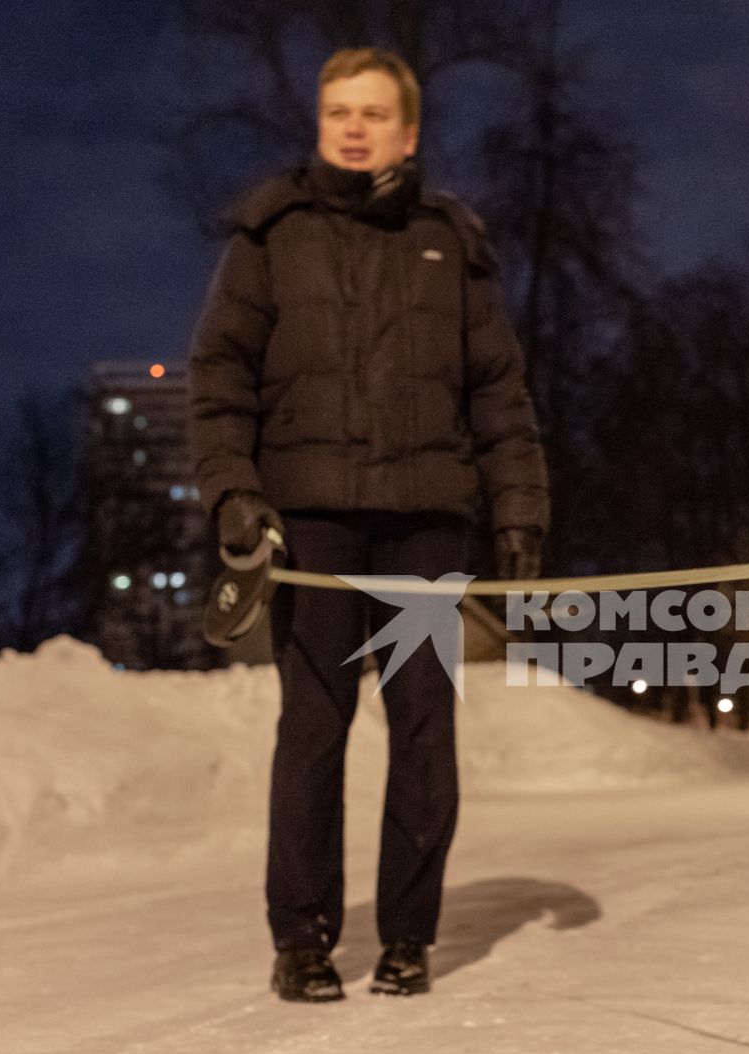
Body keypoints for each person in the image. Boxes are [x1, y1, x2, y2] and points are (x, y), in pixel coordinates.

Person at [187, 47, 548, 1004]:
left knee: (424, 730)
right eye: (338, 111)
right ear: (320, 125)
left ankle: (407, 938)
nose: (354, 127)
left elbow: (498, 393)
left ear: (409, 131)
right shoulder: (272, 235)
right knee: (313, 729)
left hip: (426, 529)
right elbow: (218, 380)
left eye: (374, 113)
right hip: (312, 529)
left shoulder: (450, 242)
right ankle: (301, 939)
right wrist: (234, 495)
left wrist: (518, 508)